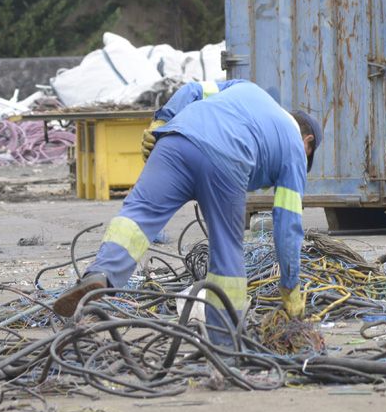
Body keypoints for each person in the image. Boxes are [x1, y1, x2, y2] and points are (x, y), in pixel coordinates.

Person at [52, 79, 321, 346]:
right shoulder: (295, 147)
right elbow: (287, 226)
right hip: (228, 156)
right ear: (307, 141)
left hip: (177, 137)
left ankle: (101, 274)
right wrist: (290, 288)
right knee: (227, 251)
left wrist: (160, 122)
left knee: (138, 215)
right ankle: (225, 342)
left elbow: (192, 89)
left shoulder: (246, 88)